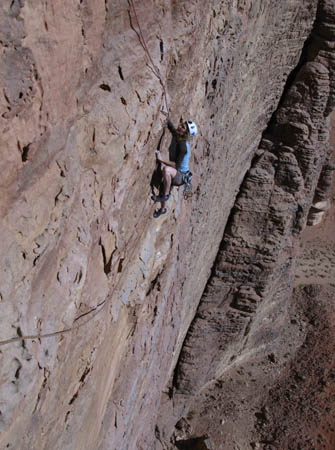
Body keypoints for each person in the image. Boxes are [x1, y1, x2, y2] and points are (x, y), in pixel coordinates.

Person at [153, 118, 197, 218]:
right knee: (164, 186)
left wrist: (161, 159)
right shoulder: (181, 137)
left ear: (185, 133)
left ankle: (166, 195)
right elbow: (174, 130)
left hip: (180, 176)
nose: (180, 125)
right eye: (182, 124)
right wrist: (168, 121)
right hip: (179, 172)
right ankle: (162, 209)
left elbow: (175, 166)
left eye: (183, 127)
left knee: (166, 170)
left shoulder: (183, 148)